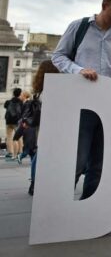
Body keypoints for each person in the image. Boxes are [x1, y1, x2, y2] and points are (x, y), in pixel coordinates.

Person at [51, 0, 111, 199]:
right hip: (82, 101)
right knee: (78, 159)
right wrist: (79, 70)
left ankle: (88, 206)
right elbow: (58, 56)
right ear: (104, 5)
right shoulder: (79, 27)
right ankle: (60, 204)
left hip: (109, 102)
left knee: (100, 161)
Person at [24, 60, 56, 195]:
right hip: (50, 128)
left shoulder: (39, 91)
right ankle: (35, 183)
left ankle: (34, 183)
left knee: (39, 156)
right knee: (40, 156)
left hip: (40, 128)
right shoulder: (51, 91)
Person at [4, 88, 23, 161]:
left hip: (8, 121)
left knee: (9, 137)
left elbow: (5, 106)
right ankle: (20, 151)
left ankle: (10, 152)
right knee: (19, 136)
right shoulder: (21, 102)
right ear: (19, 94)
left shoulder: (8, 101)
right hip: (17, 121)